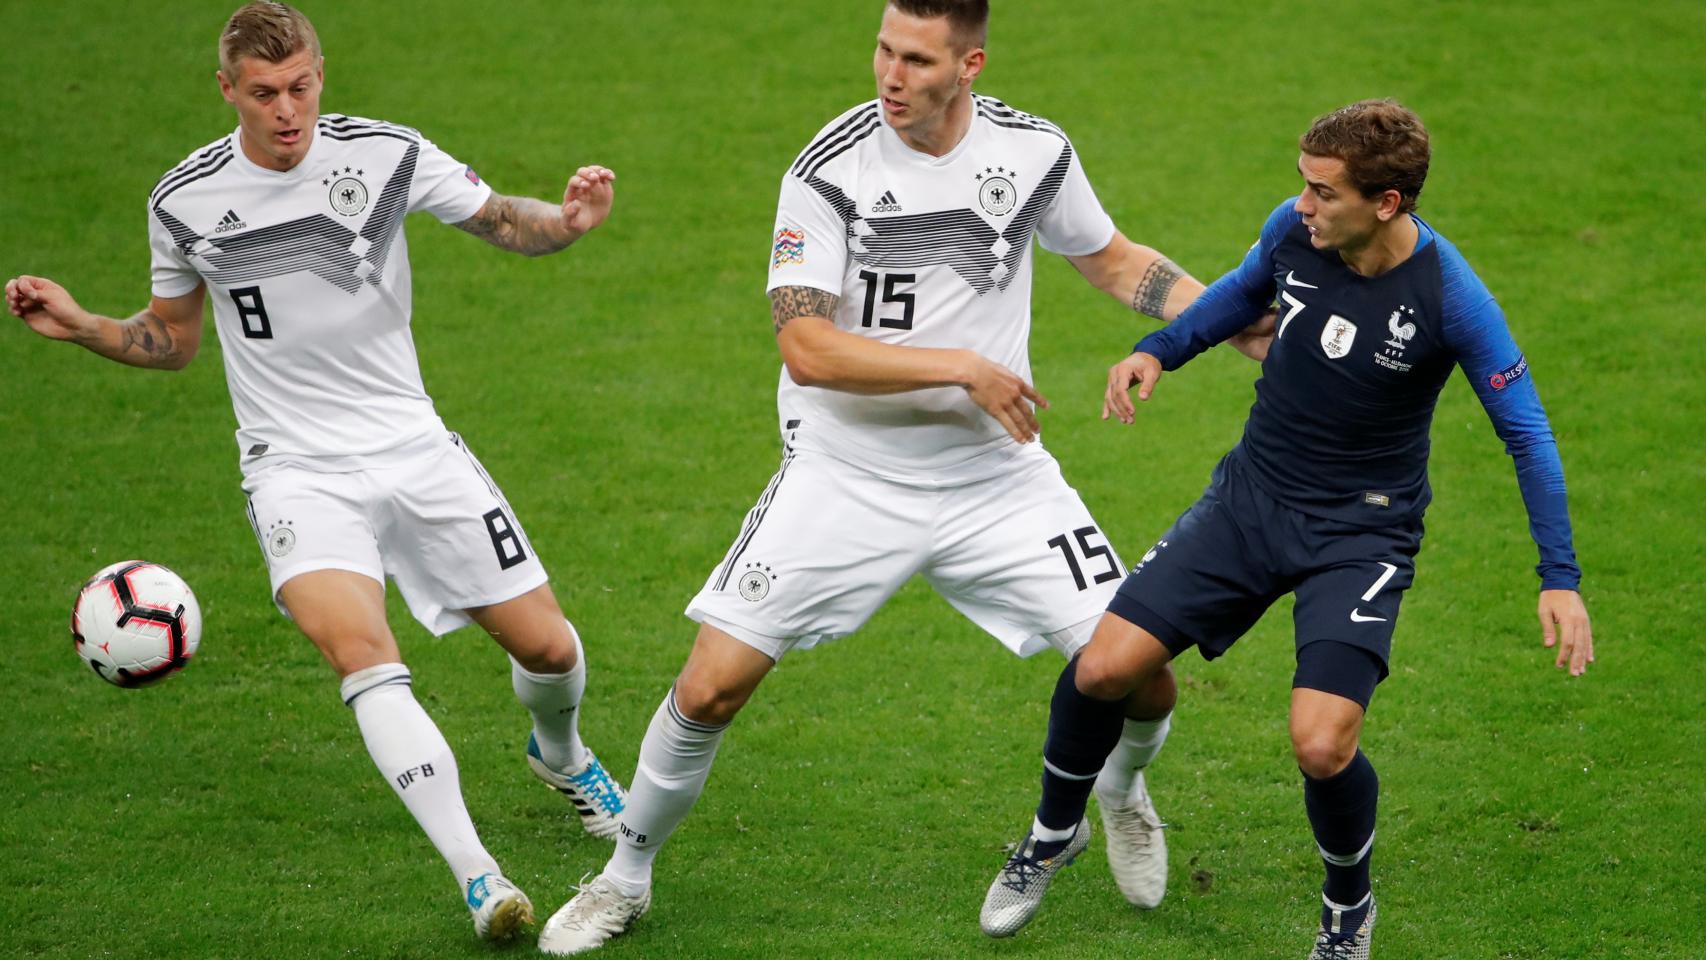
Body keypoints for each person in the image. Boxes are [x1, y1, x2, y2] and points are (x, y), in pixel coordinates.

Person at [535, 1, 1267, 954]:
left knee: (1142, 674)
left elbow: (1113, 259)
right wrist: (960, 365)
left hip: (995, 479)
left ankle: (1120, 794)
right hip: (849, 474)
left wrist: (1232, 323)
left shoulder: (1033, 152)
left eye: (916, 59)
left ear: (969, 64)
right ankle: (623, 877)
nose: (889, 74)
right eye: (883, 49)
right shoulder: (828, 170)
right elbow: (806, 347)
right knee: (711, 688)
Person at [5, 1, 628, 942]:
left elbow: (505, 220)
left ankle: (563, 755)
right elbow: (171, 340)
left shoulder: (385, 155)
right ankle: (481, 880)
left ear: (320, 76)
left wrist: (569, 221)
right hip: (294, 468)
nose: (286, 111)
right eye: (264, 94)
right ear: (229, 92)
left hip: (413, 443)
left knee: (550, 649)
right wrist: (86, 325)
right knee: (367, 659)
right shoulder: (185, 199)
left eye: (299, 87)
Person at [979, 99, 1596, 956]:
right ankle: (1054, 832)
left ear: (1386, 203)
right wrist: (1161, 350)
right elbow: (1240, 293)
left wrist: (1558, 577)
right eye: (1301, 186)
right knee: (1102, 668)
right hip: (1251, 501)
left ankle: (1348, 908)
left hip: (1361, 535)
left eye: (1322, 192)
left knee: (1321, 745)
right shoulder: (1295, 231)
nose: (1301, 205)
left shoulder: (1452, 297)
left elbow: (1526, 432)